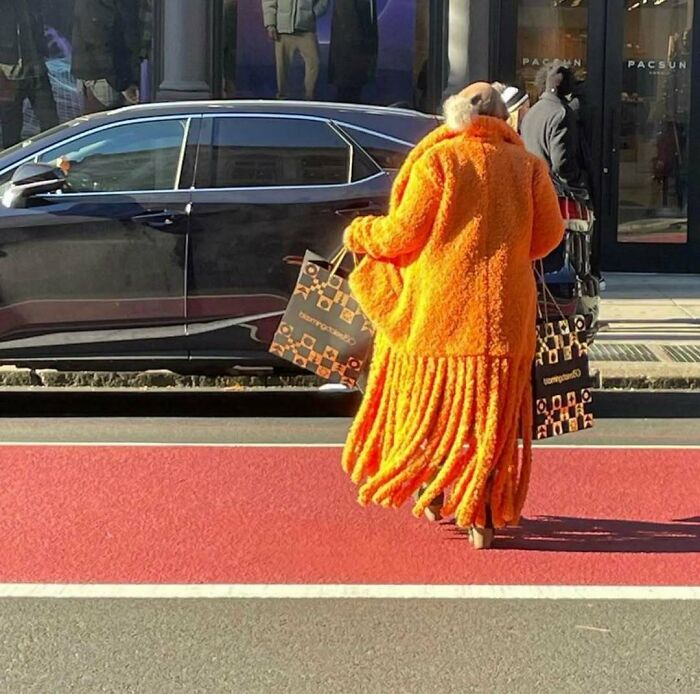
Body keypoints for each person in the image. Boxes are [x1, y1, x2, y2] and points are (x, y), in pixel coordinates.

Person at [341, 83, 565, 549]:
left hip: (442, 313)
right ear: (507, 119)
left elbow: (401, 234)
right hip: (507, 314)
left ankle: (434, 480)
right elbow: (546, 239)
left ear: (456, 116)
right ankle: (482, 512)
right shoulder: (529, 168)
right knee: (491, 418)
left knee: (438, 409)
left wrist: (360, 233)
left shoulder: (438, 162)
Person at [520, 62, 587, 194]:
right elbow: (561, 164)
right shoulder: (561, 113)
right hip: (557, 193)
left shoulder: (533, 112)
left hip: (535, 186)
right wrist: (581, 181)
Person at [0, 0, 59, 148]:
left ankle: (50, 162)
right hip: (8, 74)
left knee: (52, 127)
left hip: (36, 69)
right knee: (11, 134)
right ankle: (13, 168)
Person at [71, 0, 145, 113]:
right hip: (105, 75)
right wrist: (121, 83)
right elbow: (98, 39)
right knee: (105, 123)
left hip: (105, 73)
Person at [262, 0, 329, 100]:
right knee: (282, 66)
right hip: (283, 28)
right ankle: (282, 97)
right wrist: (270, 24)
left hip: (305, 28)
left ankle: (309, 96)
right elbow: (269, 2)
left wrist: (313, 13)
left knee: (314, 62)